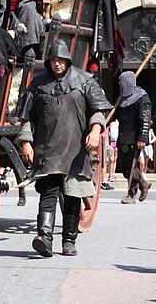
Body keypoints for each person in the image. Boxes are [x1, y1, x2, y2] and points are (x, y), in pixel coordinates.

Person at [17, 40, 112, 257]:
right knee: (48, 194)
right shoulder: (37, 84)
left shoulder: (85, 81)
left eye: (61, 60)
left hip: (75, 150)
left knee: (72, 197)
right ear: (49, 62)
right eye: (53, 60)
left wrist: (96, 131)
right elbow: (26, 117)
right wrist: (25, 142)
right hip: (46, 148)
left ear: (68, 61)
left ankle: (69, 241)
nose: (57, 64)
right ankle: (44, 238)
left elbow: (98, 111)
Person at [114, 71, 153, 204]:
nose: (120, 84)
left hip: (135, 139)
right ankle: (143, 183)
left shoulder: (142, 98)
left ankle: (131, 195)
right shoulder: (120, 99)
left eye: (122, 82)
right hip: (123, 138)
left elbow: (145, 120)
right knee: (124, 168)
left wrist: (142, 138)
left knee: (131, 168)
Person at [101, 119, 119, 190]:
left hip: (116, 141)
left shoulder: (117, 122)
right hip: (109, 141)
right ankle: (106, 178)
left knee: (114, 159)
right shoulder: (109, 122)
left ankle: (112, 174)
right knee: (109, 159)